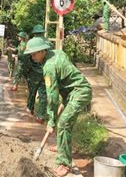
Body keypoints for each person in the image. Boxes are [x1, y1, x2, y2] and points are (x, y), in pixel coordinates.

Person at [24, 37, 92, 177]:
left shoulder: (48, 67)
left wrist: (50, 120)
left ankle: (64, 163)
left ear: (43, 50)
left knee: (63, 123)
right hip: (71, 92)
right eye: (31, 54)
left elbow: (52, 98)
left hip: (80, 92)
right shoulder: (56, 52)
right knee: (62, 122)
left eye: (35, 53)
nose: (32, 56)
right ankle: (62, 147)